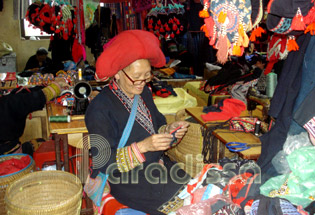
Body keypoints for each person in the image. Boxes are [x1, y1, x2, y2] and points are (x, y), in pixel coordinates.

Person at [85, 30, 190, 214]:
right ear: (117, 73)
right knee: (185, 205)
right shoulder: (99, 108)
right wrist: (143, 146)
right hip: (126, 180)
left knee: (199, 188)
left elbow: (158, 125)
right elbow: (102, 162)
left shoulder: (144, 93)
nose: (142, 82)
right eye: (136, 76)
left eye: (147, 75)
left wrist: (170, 131)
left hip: (157, 168)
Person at [0, 78, 68, 155]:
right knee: (42, 144)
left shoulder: (8, 101)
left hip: (8, 148)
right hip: (8, 155)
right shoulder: (8, 103)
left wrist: (45, 87)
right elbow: (34, 99)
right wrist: (55, 87)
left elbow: (21, 96)